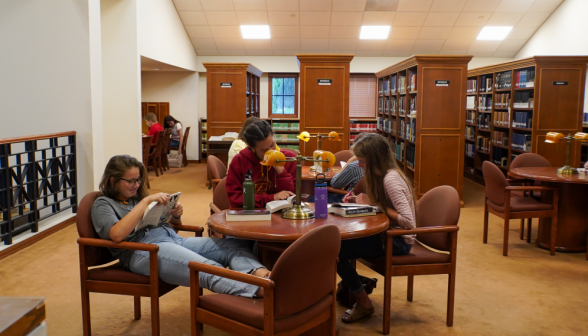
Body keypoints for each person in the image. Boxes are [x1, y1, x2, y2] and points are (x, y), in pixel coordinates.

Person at [91, 155, 270, 298]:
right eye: (131, 181)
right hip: (144, 251)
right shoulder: (103, 204)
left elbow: (172, 226)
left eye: (138, 180)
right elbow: (116, 234)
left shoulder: (134, 198)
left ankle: (263, 276)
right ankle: (262, 292)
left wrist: (175, 215)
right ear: (113, 180)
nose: (136, 185)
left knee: (233, 245)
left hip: (172, 239)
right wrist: (145, 201)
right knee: (205, 268)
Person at [336, 133, 416, 323]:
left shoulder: (391, 179)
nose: (359, 165)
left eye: (362, 161)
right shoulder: (378, 175)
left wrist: (376, 205)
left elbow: (409, 222)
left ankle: (363, 301)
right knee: (339, 245)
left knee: (335, 250)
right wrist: (358, 200)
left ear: (374, 160)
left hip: (398, 240)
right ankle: (356, 284)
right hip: (386, 233)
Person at [226, 120, 296, 208]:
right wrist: (271, 197)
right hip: (250, 212)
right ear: (252, 148)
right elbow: (235, 197)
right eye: (264, 150)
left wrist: (281, 172)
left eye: (272, 145)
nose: (271, 151)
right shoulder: (239, 161)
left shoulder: (289, 159)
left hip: (280, 213)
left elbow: (292, 196)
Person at [307, 133, 367, 204]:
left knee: (312, 198)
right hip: (366, 198)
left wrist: (349, 162)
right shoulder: (380, 164)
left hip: (350, 198)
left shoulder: (354, 166)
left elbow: (335, 184)